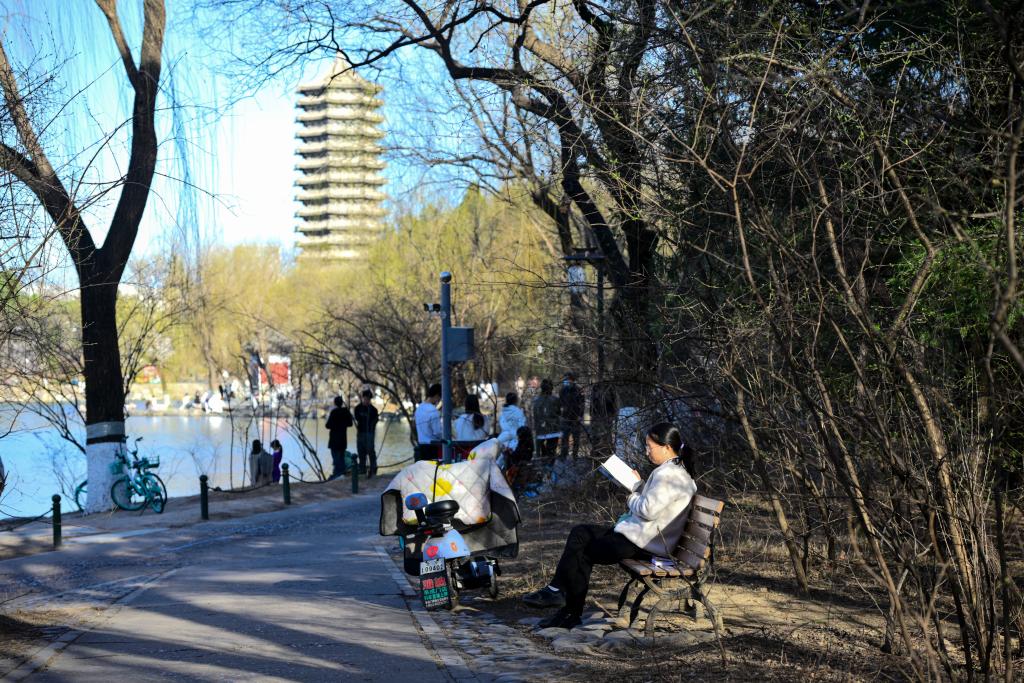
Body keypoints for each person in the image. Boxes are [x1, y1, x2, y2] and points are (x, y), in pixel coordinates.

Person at [522, 422, 697, 629]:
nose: (646, 451)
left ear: (667, 447)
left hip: (644, 543)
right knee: (580, 533)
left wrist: (632, 496)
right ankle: (557, 592)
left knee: (583, 551)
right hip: (641, 536)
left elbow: (648, 510)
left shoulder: (668, 474)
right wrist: (639, 486)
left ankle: (568, 609)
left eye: (650, 447)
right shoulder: (673, 471)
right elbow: (657, 504)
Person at [532, 379, 561, 460]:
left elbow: (535, 416)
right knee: (551, 452)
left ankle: (542, 464)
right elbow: (559, 413)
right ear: (551, 388)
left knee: (540, 453)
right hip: (553, 430)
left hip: (540, 430)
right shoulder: (555, 399)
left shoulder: (536, 400)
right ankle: (549, 465)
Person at [326, 396, 354, 479]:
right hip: (343, 439)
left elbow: (328, 425)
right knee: (341, 457)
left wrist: (335, 425)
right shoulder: (346, 412)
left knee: (336, 458)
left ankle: (337, 474)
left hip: (334, 439)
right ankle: (341, 473)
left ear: (335, 403)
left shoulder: (334, 412)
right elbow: (350, 424)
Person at [558, 373, 585, 459]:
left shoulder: (579, 389)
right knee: (564, 438)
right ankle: (564, 455)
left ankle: (575, 455)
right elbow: (560, 403)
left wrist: (580, 415)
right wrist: (560, 415)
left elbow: (582, 404)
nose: (565, 381)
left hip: (576, 418)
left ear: (572, 380)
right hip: (565, 417)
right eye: (565, 380)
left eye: (567, 379)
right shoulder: (563, 390)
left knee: (576, 438)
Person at [354, 389, 380, 477]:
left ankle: (373, 468)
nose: (366, 401)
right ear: (362, 398)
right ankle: (362, 468)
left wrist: (371, 425)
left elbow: (375, 420)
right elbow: (357, 418)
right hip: (361, 433)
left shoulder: (373, 410)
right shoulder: (358, 408)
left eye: (368, 399)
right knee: (361, 451)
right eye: (365, 399)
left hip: (369, 433)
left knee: (370, 450)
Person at [414, 383, 444, 460]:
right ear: (437, 396)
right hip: (431, 448)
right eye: (440, 398)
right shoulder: (433, 411)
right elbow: (437, 432)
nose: (439, 401)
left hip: (420, 447)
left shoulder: (419, 409)